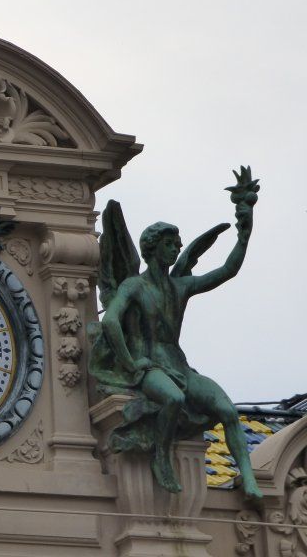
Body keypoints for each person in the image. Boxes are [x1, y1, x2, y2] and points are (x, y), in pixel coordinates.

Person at [90, 167, 262, 500]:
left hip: (178, 366)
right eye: (170, 243)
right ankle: (161, 456)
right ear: (152, 248)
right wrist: (131, 363)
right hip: (149, 365)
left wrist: (244, 232)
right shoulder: (133, 285)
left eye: (177, 244)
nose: (176, 248)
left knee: (226, 408)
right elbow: (111, 322)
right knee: (174, 398)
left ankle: (250, 479)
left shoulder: (179, 286)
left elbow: (227, 270)